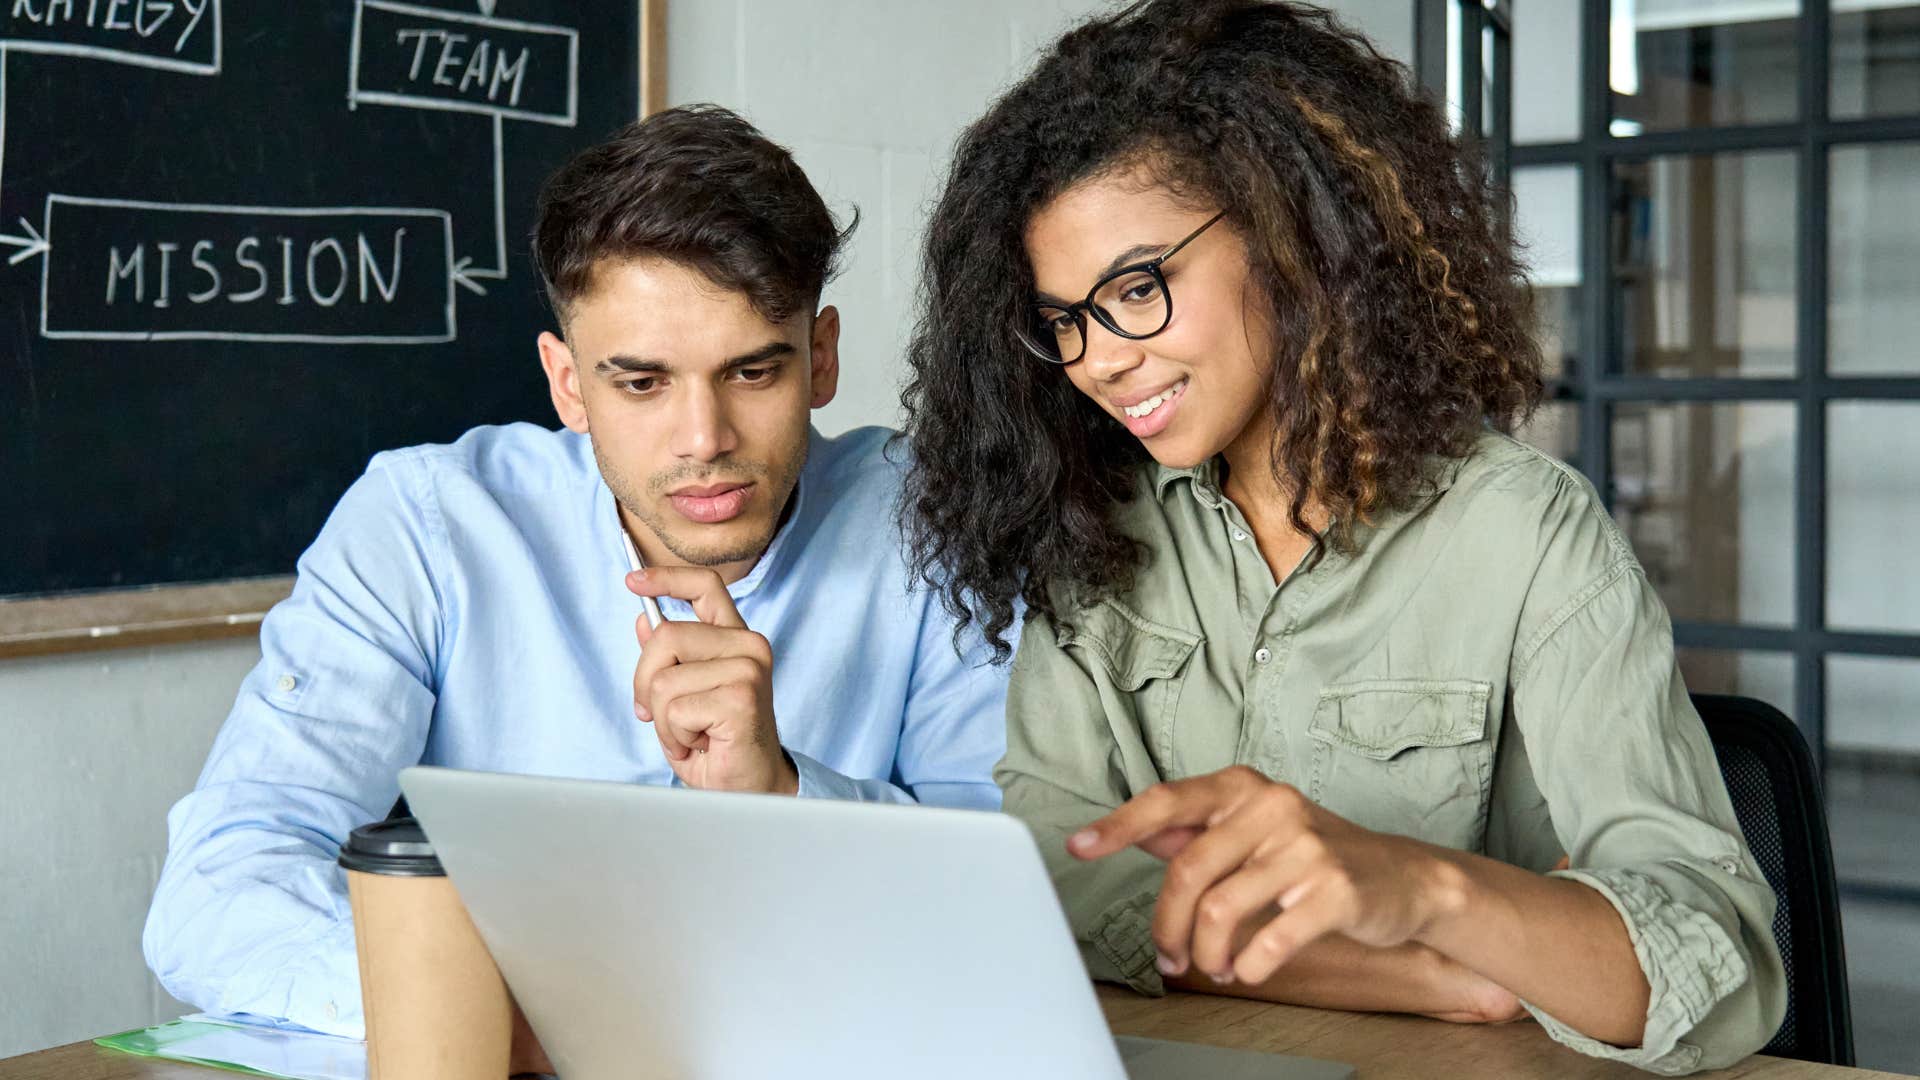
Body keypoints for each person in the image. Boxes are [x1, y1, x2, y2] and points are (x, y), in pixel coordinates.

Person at [897, 1, 1785, 1072]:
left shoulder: (1525, 534)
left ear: (1291, 237)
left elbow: (1716, 966)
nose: (1100, 359)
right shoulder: (1089, 529)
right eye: (1065, 321)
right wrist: (1430, 973)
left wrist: (1418, 886)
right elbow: (1048, 883)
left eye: (1138, 289)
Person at [144, 105, 1009, 1040]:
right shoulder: (425, 526)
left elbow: (1000, 896)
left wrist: (783, 795)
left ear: (822, 356)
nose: (704, 440)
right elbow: (219, 883)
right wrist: (496, 1014)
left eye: (754, 373)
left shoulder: (932, 519)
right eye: (641, 383)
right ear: (567, 385)